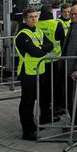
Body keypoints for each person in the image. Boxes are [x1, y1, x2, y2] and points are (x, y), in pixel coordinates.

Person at [15, 8, 53, 140]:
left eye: (35, 16)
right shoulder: (22, 34)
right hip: (28, 72)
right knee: (27, 101)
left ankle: (32, 124)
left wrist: (41, 48)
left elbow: (51, 45)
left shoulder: (38, 30)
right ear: (25, 18)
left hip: (40, 70)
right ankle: (27, 130)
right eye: (31, 17)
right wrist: (42, 48)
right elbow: (35, 52)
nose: (34, 19)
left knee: (35, 99)